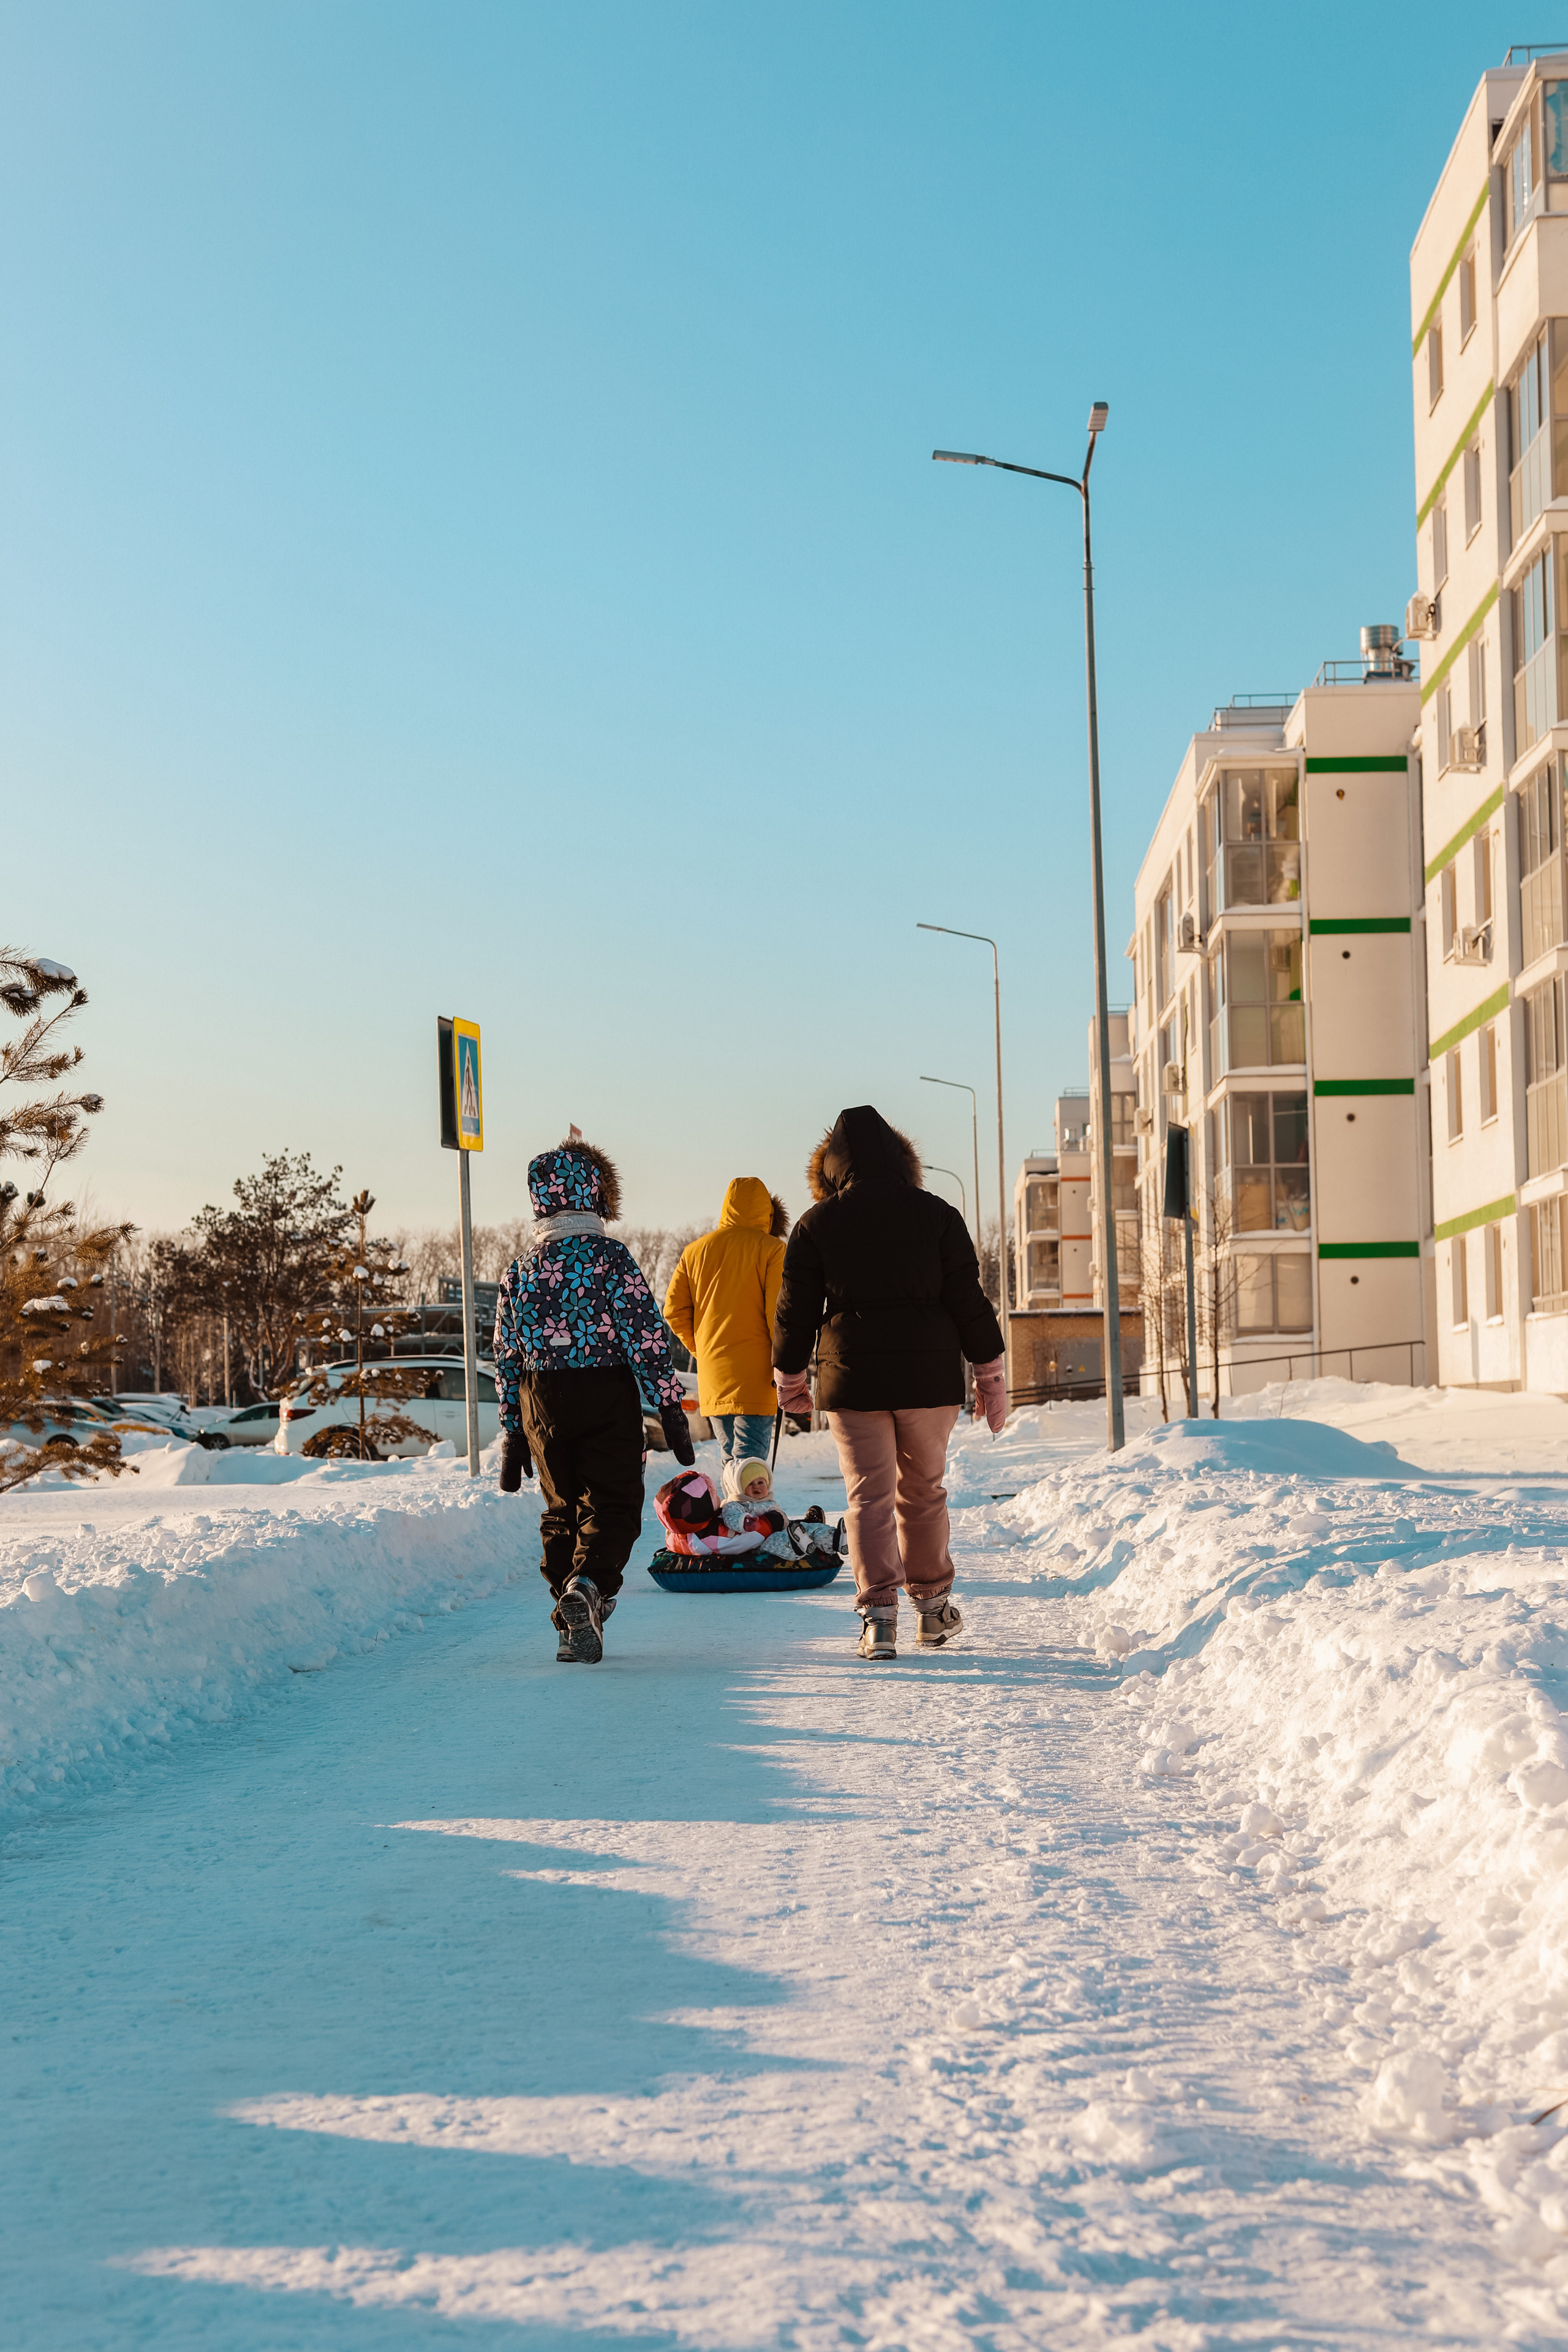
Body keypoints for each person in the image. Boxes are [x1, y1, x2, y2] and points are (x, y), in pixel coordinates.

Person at [772, 1104, 1006, 1661]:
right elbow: (968, 1301)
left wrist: (790, 1379)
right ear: (904, 1161)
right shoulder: (939, 1215)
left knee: (867, 1497)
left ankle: (878, 1619)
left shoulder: (816, 1224)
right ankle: (933, 1611)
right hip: (928, 1380)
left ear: (830, 1169)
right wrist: (990, 1376)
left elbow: (794, 1313)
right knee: (923, 1490)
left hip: (852, 1380)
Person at [494, 1136, 695, 1664]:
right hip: (604, 1389)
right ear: (594, 1194)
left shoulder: (519, 1270)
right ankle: (588, 1586)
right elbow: (645, 1335)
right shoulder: (611, 1258)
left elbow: (506, 1354)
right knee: (614, 1502)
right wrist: (669, 1404)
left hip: (541, 1398)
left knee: (561, 1509)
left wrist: (513, 1429)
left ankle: (569, 1623)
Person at [663, 1178, 789, 1476]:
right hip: (758, 1376)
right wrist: (787, 1365)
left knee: (731, 1464)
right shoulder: (773, 1250)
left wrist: (703, 1350)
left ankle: (732, 1507)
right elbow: (778, 1317)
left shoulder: (695, 1251)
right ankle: (747, 1509)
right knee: (750, 1467)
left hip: (713, 1375)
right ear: (769, 1213)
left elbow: (673, 1310)